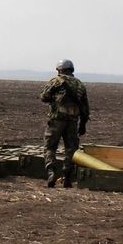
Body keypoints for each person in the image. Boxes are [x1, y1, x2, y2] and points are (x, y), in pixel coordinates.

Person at [39, 59, 89, 188]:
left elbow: (44, 97)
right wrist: (82, 124)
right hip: (72, 122)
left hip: (56, 120)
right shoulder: (80, 85)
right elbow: (85, 108)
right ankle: (67, 177)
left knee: (50, 147)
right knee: (71, 149)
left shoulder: (56, 81)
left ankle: (51, 172)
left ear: (60, 69)